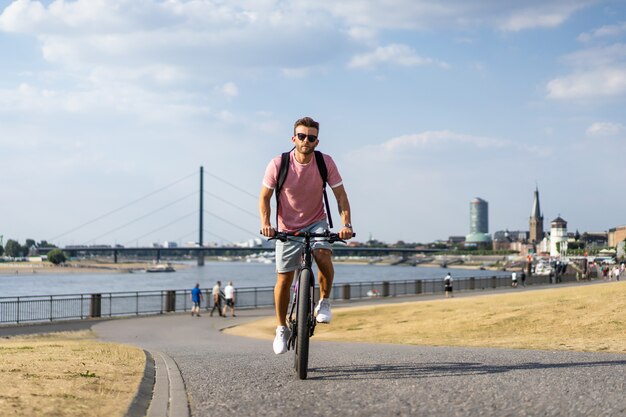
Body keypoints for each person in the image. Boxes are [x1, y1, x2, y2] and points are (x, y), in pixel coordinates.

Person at [259, 116, 353, 355]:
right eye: (301, 136)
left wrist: (346, 224)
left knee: (323, 255)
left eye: (311, 138)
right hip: (287, 227)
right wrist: (266, 224)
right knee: (283, 279)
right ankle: (281, 327)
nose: (306, 141)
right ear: (294, 138)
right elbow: (265, 197)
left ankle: (324, 301)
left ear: (316, 141)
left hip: (316, 221)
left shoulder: (325, 163)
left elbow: (340, 196)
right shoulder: (278, 164)